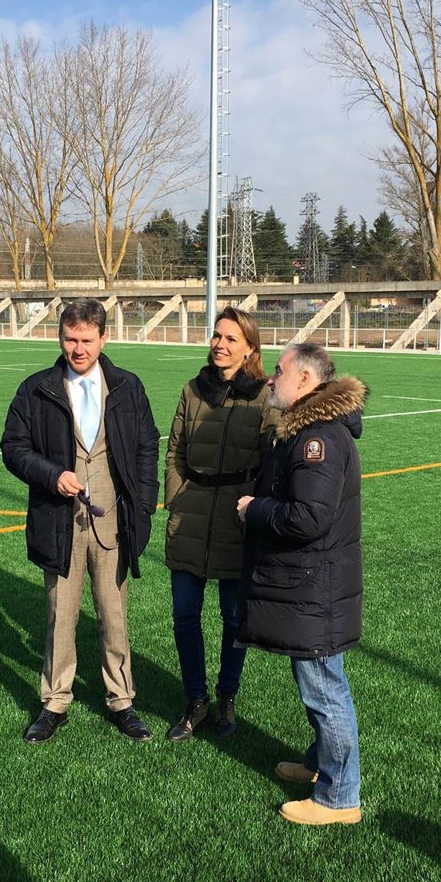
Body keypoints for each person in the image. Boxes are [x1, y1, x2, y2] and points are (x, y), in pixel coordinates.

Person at [0, 298, 161, 744]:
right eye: (70, 338)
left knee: (114, 616)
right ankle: (55, 701)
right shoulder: (36, 389)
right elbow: (13, 447)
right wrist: (52, 475)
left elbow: (147, 446)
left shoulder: (127, 387)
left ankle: (121, 700)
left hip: (114, 523)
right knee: (60, 616)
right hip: (59, 523)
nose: (78, 348)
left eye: (87, 339)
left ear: (104, 338)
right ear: (60, 337)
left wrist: (144, 506)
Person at [236, 342, 367, 825]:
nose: (271, 379)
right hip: (311, 585)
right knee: (316, 684)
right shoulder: (305, 429)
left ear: (306, 380)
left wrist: (255, 510)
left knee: (324, 690)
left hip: (316, 588)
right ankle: (320, 764)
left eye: (279, 370)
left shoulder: (319, 438)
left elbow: (309, 517)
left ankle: (340, 798)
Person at [162, 306, 277, 742]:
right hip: (190, 513)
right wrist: (176, 496)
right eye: (216, 336)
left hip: (237, 518)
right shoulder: (193, 390)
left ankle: (227, 695)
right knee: (184, 615)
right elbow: (175, 449)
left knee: (233, 617)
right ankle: (196, 699)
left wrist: (254, 508)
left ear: (250, 349)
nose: (220, 345)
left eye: (231, 339)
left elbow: (272, 456)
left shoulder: (263, 395)